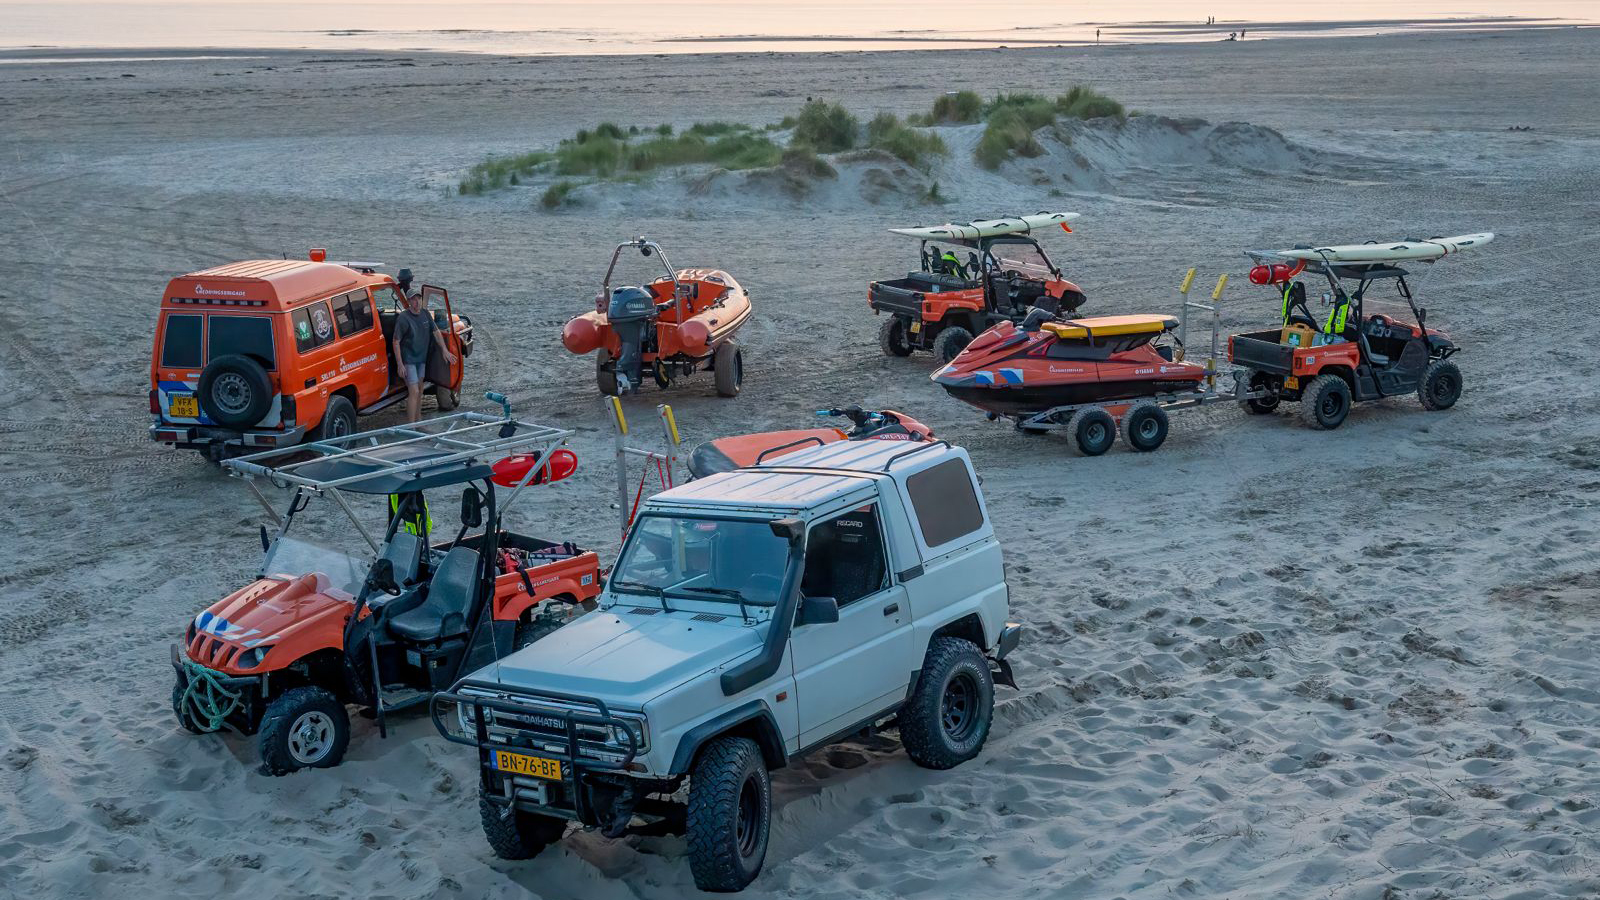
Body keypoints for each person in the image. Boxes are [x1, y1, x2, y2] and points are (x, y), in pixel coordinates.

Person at [392, 289, 457, 423]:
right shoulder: (404, 318)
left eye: (418, 299)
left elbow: (436, 332)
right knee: (414, 391)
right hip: (409, 360)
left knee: (420, 389)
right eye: (413, 300)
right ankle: (411, 427)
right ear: (409, 302)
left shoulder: (425, 314)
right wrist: (400, 364)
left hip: (421, 360)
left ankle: (418, 421)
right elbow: (396, 341)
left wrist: (444, 350)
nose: (416, 302)